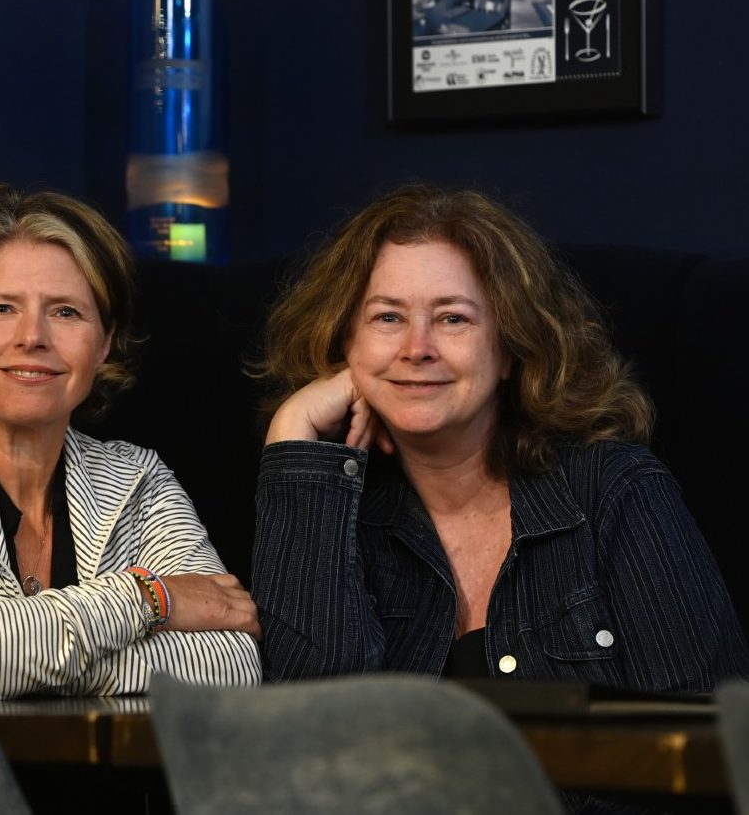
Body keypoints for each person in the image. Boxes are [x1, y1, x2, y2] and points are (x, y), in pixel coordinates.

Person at [252, 183, 749, 693]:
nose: (416, 348)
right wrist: (293, 443)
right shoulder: (333, 509)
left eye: (453, 318)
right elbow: (313, 732)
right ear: (346, 343)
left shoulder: (613, 489)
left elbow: (713, 739)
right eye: (388, 317)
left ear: (510, 345)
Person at [0, 184, 261, 699]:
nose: (32, 336)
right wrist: (151, 598)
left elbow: (232, 660)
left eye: (65, 312)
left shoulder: (141, 482)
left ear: (104, 342)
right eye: (1, 309)